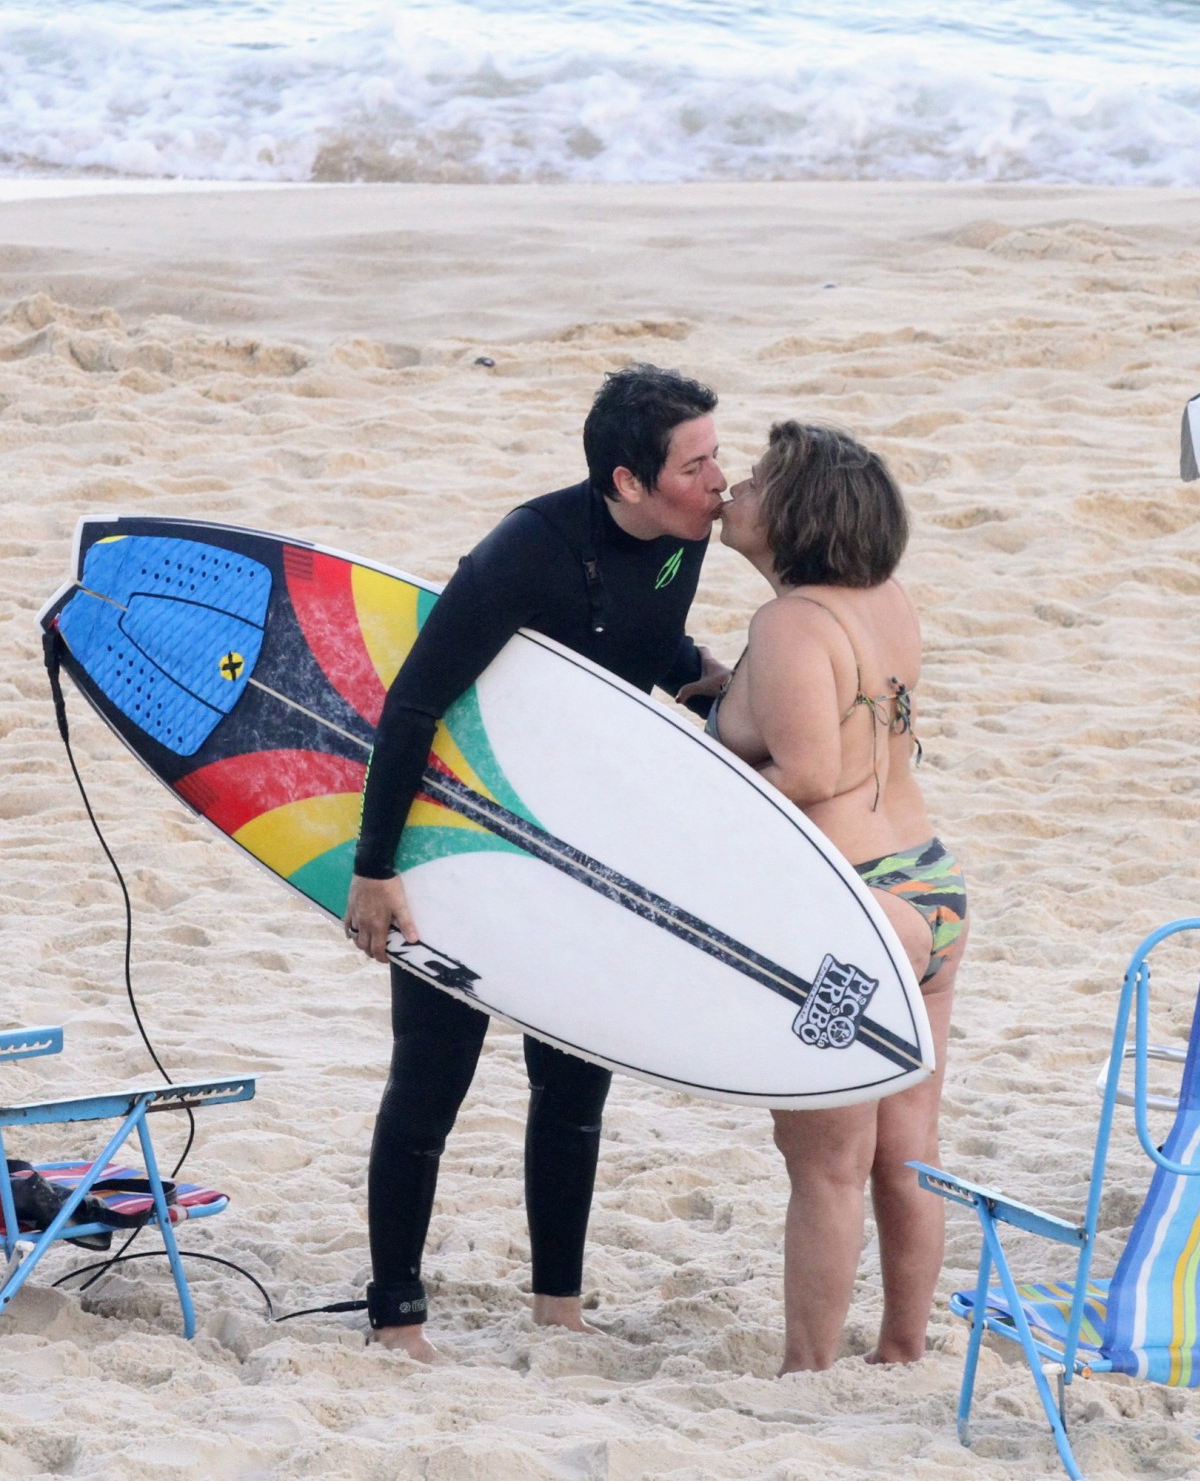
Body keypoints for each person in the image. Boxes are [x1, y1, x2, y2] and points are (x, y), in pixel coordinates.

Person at [345, 364, 729, 1359]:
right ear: (629, 481)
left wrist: (707, 676)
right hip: (460, 839)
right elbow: (415, 702)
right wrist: (375, 867)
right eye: (698, 463)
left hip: (581, 851)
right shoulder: (527, 550)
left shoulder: (677, 543)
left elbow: (639, 642)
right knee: (433, 1083)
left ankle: (559, 1306)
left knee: (572, 1086)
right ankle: (396, 1317)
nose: (720, 478)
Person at [711, 420, 967, 1373]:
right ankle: (902, 1349)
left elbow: (811, 771)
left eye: (761, 478)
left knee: (824, 1163)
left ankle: (806, 1373)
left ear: (799, 514)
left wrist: (707, 794)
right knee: (908, 1144)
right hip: (930, 893)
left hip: (850, 918)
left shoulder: (787, 623)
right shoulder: (884, 599)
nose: (737, 485)